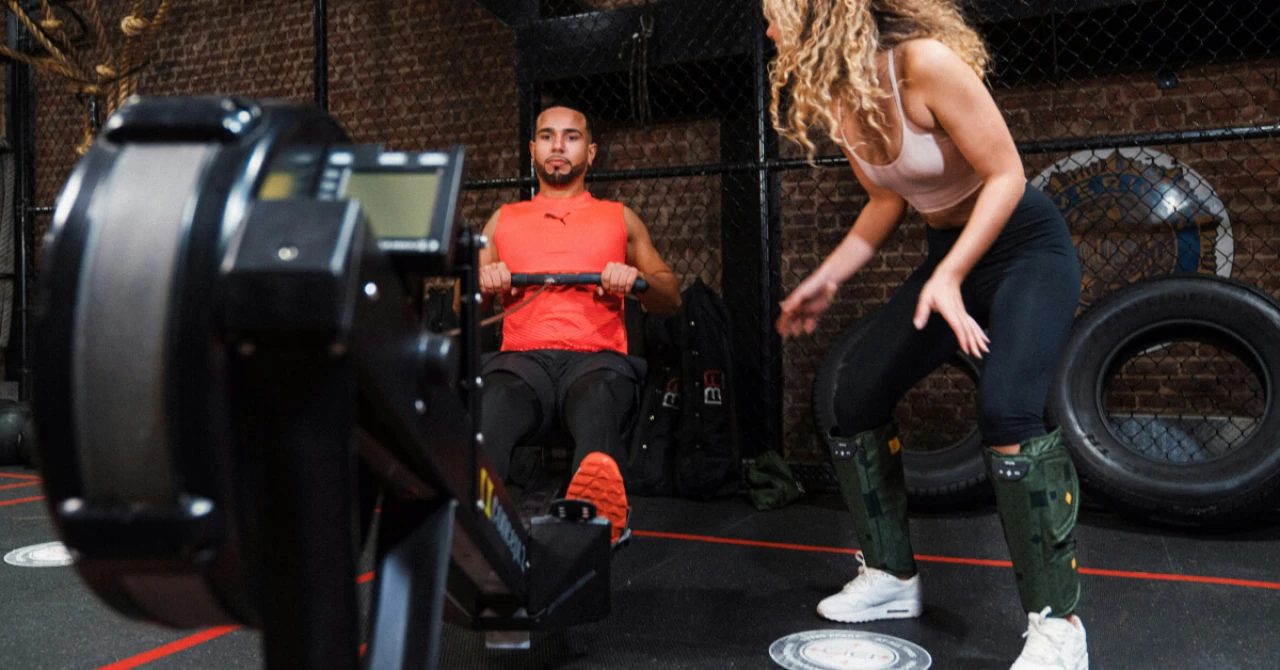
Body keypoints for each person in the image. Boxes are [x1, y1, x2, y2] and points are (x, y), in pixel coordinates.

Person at [763, 1, 1087, 668]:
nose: (767, 29)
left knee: (1008, 411)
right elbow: (887, 200)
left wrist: (953, 273)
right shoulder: (841, 95)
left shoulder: (924, 66)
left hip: (1024, 249)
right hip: (950, 258)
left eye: (773, 13)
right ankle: (891, 577)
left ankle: (1060, 626)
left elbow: (1007, 174)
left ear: (816, 13)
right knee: (855, 398)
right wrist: (827, 279)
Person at [469, 101, 681, 545]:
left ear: (591, 152)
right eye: (547, 136)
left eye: (572, 136)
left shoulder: (619, 218)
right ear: (533, 149)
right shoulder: (503, 219)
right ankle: (475, 527)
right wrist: (482, 284)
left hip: (596, 361)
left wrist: (637, 281)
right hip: (521, 363)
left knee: (599, 399)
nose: (558, 146)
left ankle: (597, 524)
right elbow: (461, 306)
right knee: (493, 402)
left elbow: (670, 298)